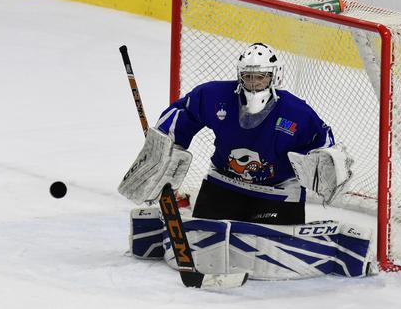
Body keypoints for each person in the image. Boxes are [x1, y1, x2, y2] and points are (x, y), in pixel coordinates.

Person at [119, 42, 373, 280]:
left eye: (260, 77)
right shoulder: (215, 96)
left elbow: (324, 140)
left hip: (277, 193)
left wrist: (325, 164)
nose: (253, 83)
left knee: (272, 246)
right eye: (248, 77)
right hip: (224, 184)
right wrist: (163, 148)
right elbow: (183, 112)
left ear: (274, 77)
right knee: (207, 231)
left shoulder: (296, 113)